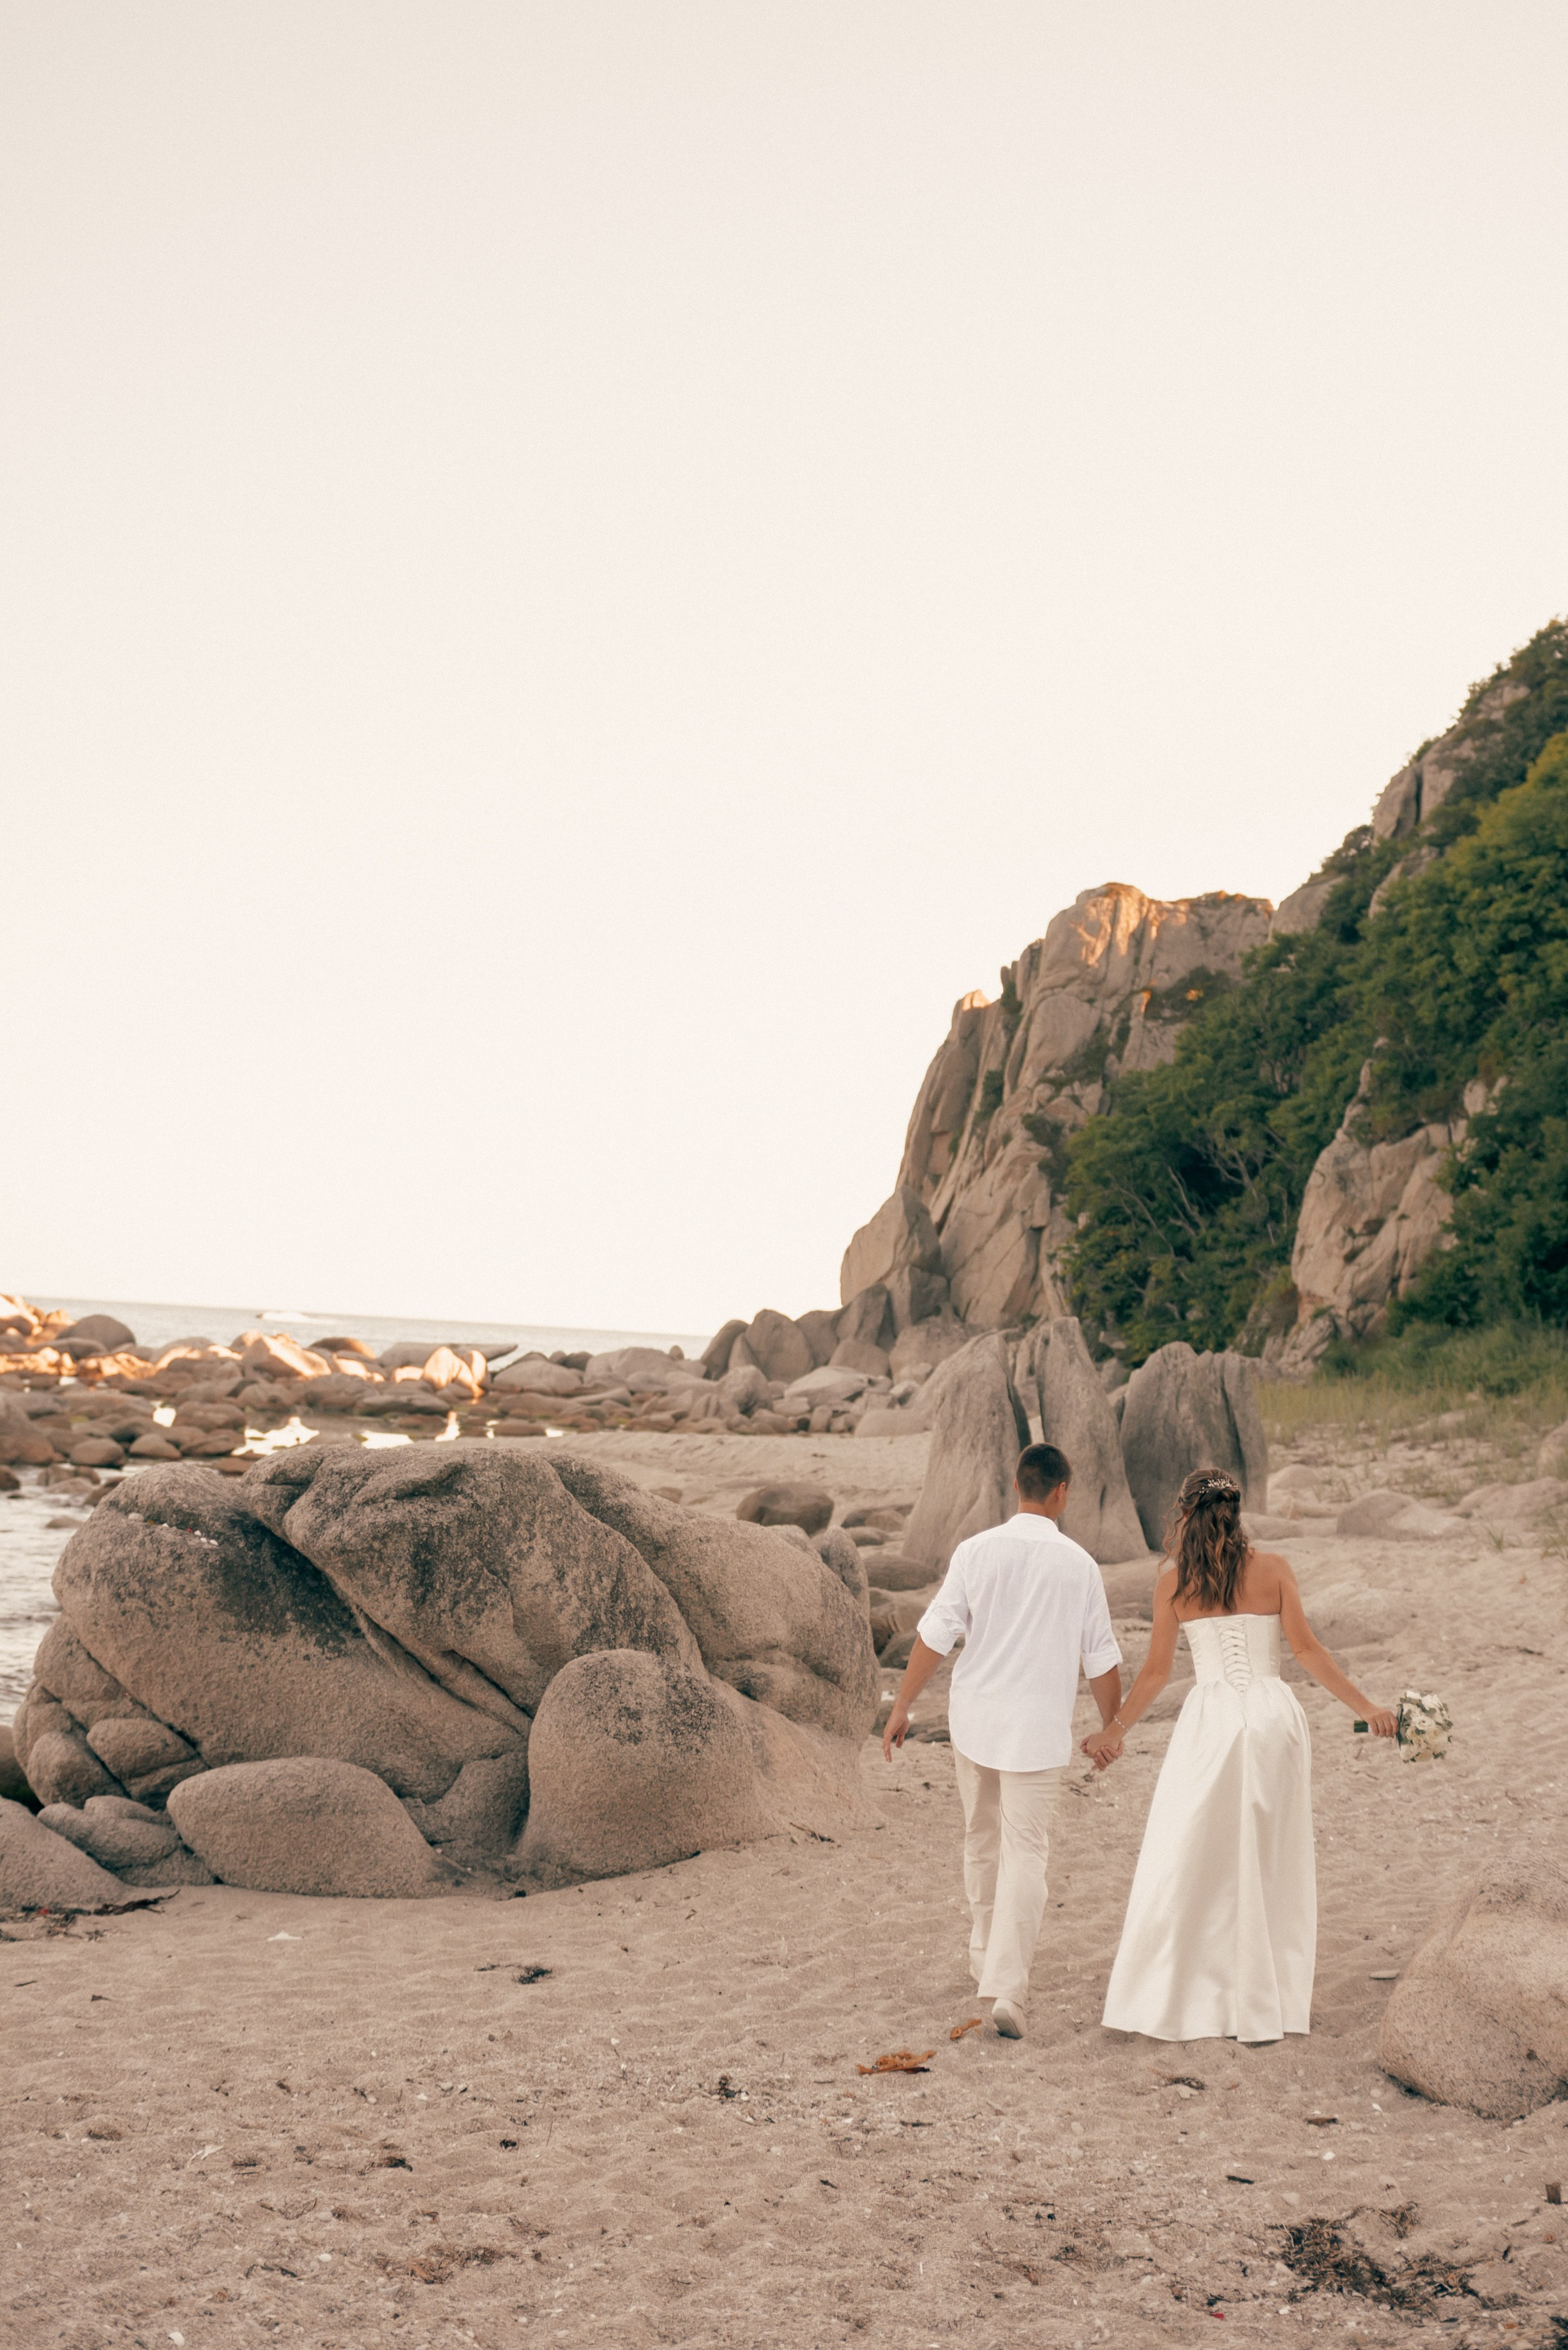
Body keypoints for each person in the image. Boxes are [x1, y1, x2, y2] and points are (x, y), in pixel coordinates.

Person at [1086, 1467, 1398, 2043]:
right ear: (1237, 1511)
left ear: (1184, 1515)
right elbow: (1305, 1650)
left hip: (1213, 1721)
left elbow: (1156, 1672)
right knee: (1269, 1857)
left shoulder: (1173, 1582)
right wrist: (1369, 1707)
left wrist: (1115, 1730)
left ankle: (1192, 1992)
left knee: (1188, 1854)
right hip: (1275, 1718)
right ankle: (1263, 1999)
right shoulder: (1275, 1569)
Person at [882, 1442, 1124, 2041]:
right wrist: (1110, 1730)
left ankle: (984, 1955)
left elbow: (936, 1635)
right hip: (1036, 1730)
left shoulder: (974, 1551)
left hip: (976, 1721)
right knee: (1026, 1853)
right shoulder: (1079, 1565)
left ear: (1018, 1487)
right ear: (1061, 1492)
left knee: (981, 1837)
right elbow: (1101, 1659)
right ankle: (1007, 1986)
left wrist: (904, 1704)